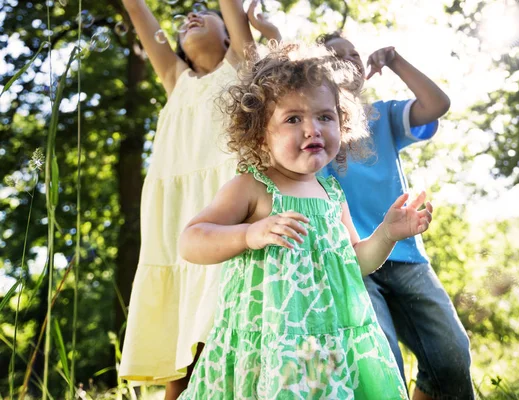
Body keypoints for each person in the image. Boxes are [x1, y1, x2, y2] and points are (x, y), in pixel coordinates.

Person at [177, 42, 433, 399]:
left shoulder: (332, 193)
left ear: (343, 125)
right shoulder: (252, 187)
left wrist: (387, 233)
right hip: (270, 345)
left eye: (325, 116)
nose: (312, 128)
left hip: (331, 341)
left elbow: (355, 261)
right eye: (293, 118)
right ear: (259, 132)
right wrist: (249, 234)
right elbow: (191, 241)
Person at [117, 0, 280, 397]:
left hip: (223, 210)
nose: (189, 16)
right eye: (183, 19)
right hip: (176, 217)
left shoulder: (240, 65)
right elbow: (137, 11)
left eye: (202, 13)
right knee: (181, 332)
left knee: (214, 324)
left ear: (229, 32)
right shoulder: (175, 78)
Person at [318, 31, 476, 400]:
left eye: (352, 54)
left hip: (405, 257)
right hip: (351, 262)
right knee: (383, 363)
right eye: (333, 57)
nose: (347, 60)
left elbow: (436, 103)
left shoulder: (383, 115)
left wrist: (394, 60)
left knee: (451, 359)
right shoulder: (313, 127)